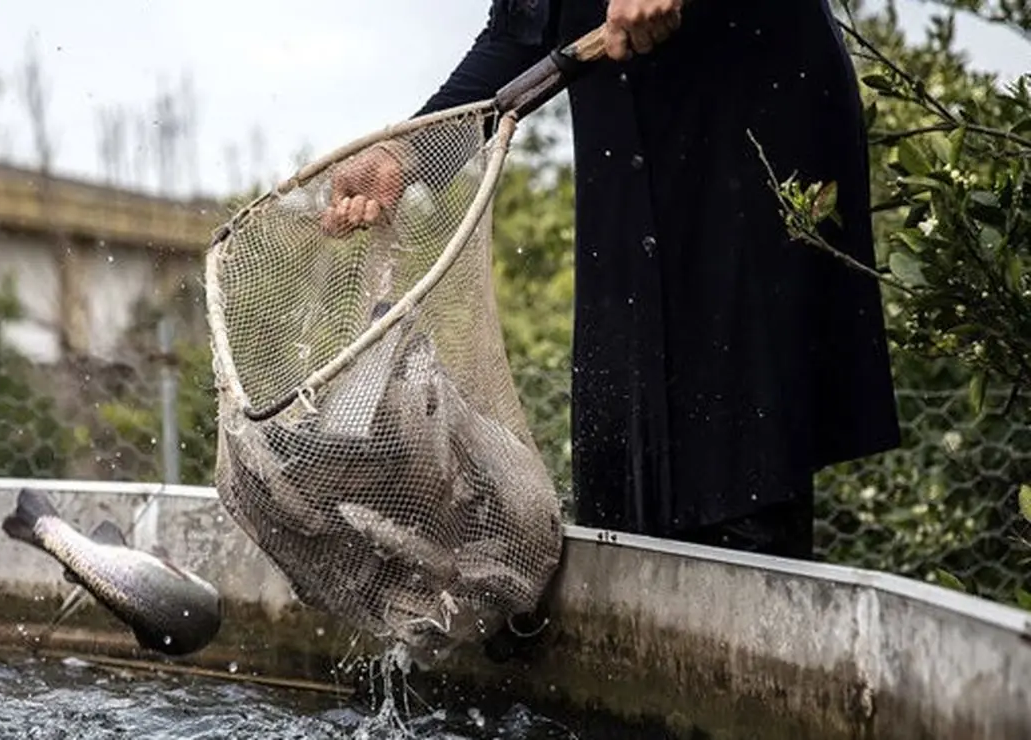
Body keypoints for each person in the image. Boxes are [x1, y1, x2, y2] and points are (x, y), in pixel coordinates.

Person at [325, 0, 899, 573]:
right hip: (627, 145)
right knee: (623, 454)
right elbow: (527, 26)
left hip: (746, 120)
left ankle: (752, 629)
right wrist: (409, 151)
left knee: (739, 448)